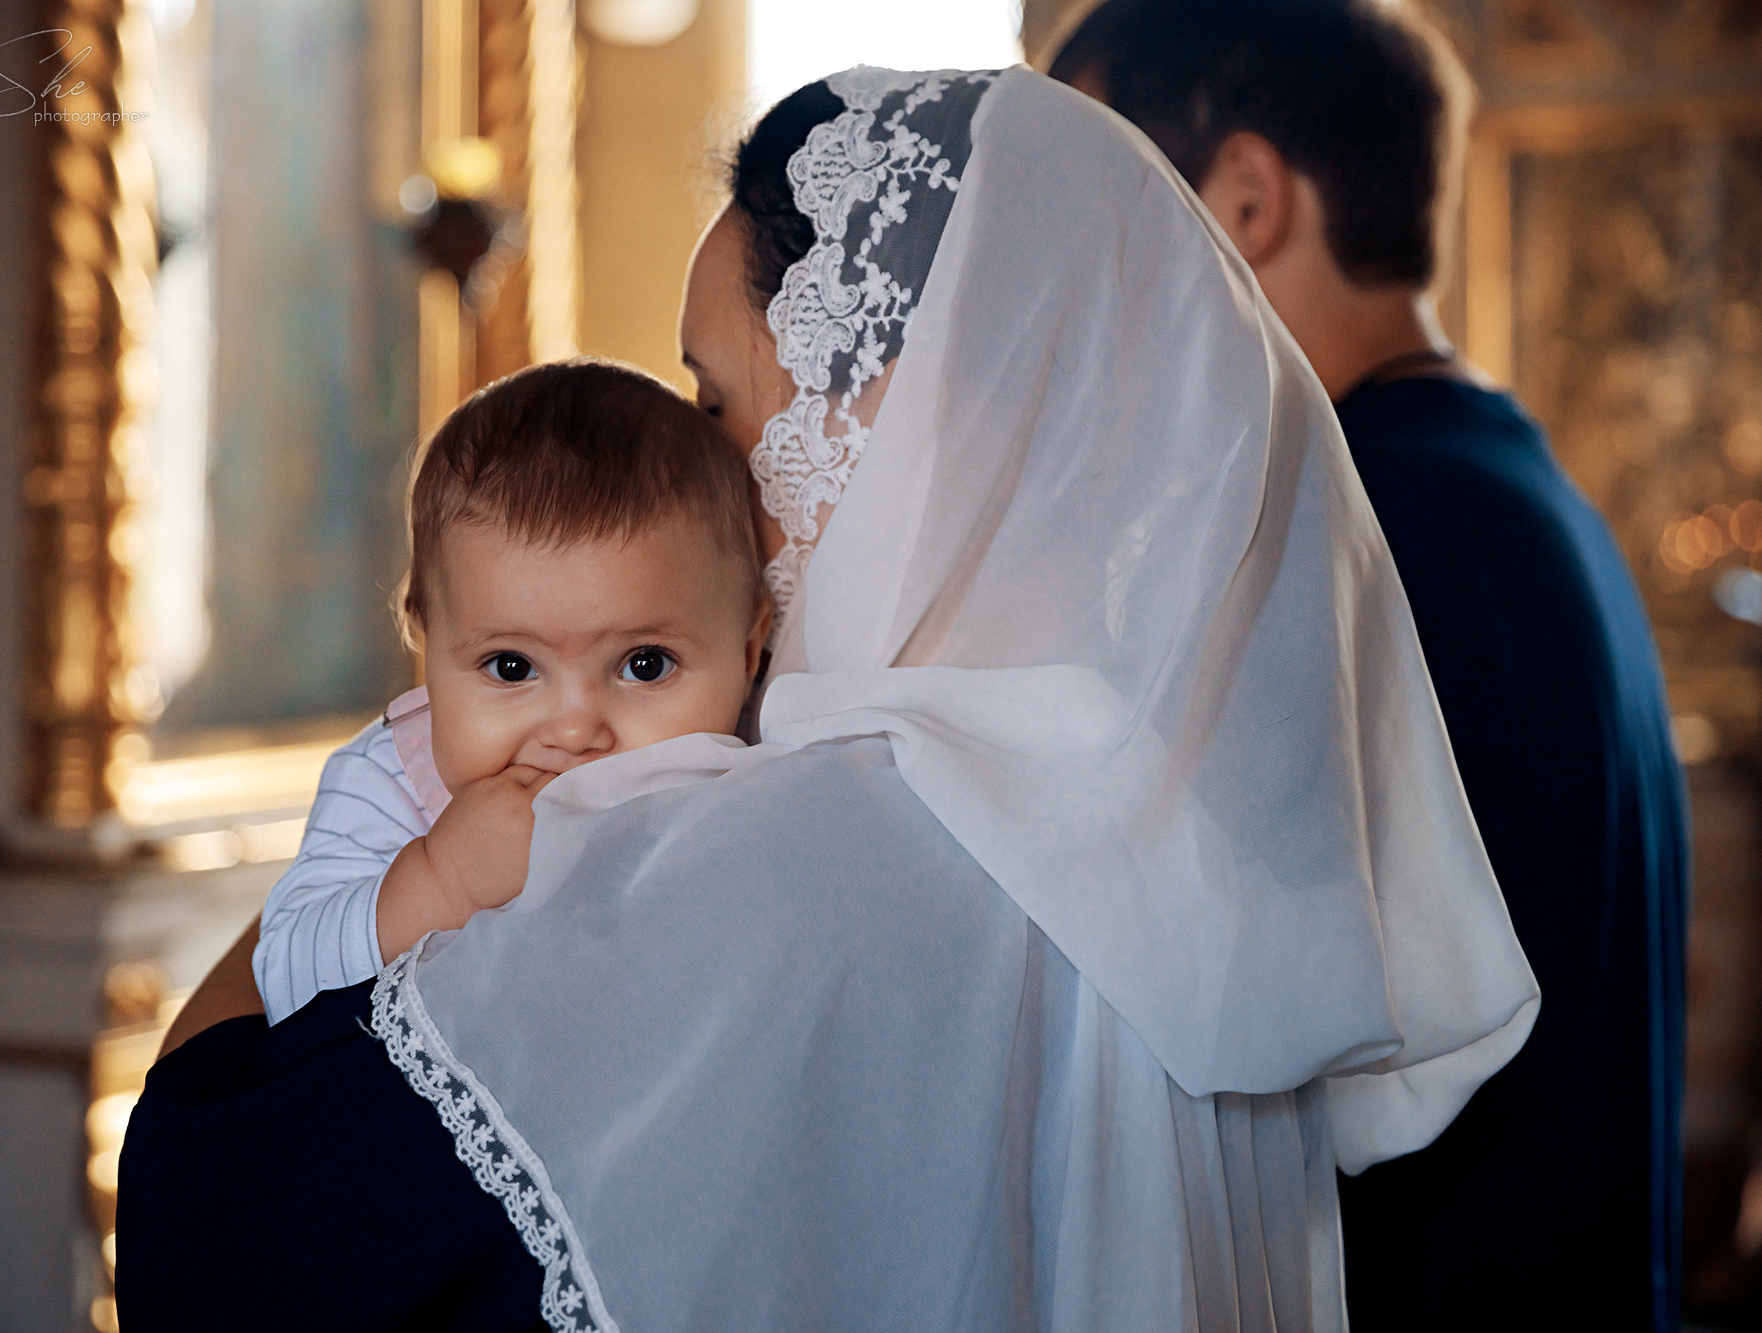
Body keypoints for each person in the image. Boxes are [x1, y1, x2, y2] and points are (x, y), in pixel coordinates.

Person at [121, 66, 1539, 1331]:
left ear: (905, 406)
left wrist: (403, 818)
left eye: (726, 409)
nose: (708, 492)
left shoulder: (779, 846)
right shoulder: (1184, 830)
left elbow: (218, 1219)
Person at [1041, 3, 1690, 1328]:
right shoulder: (1493, 480)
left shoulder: (1365, 533)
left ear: (1249, 194)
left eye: (1101, 197)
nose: (1063, 273)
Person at [248, 358, 771, 1022]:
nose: (576, 730)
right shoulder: (390, 784)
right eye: (512, 668)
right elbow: (285, 981)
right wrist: (443, 879)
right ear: (425, 637)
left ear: (749, 651)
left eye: (644, 664)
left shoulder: (758, 780)